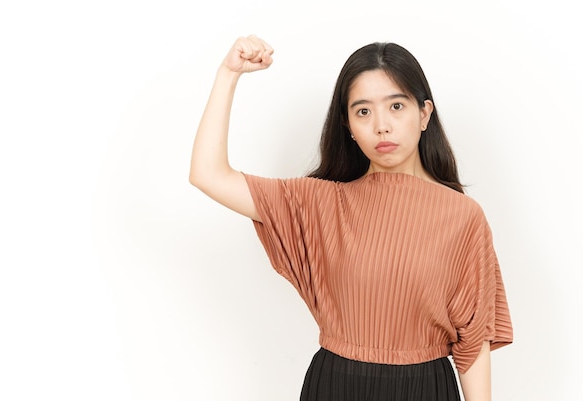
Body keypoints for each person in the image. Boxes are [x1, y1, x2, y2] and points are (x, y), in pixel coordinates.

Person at [189, 35, 513, 401]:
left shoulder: (463, 217)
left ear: (424, 114)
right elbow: (207, 174)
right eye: (363, 111)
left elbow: (473, 343)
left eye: (396, 107)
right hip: (336, 386)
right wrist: (228, 73)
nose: (381, 126)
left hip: (426, 389)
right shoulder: (319, 203)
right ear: (348, 126)